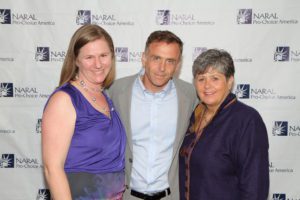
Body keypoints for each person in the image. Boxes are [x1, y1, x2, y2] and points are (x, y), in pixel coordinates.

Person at [108, 30, 198, 200]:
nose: (162, 68)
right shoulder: (117, 91)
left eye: (170, 61)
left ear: (178, 64)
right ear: (144, 58)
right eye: (156, 58)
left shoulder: (190, 95)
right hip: (126, 196)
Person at [41, 24, 126, 200]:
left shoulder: (105, 96)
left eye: (103, 55)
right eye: (89, 57)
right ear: (76, 60)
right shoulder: (64, 99)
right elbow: (52, 168)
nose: (98, 64)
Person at [179, 49, 269, 200]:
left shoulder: (247, 120)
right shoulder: (196, 114)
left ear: (229, 81)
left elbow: (255, 187)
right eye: (201, 79)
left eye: (215, 78)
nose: (207, 86)